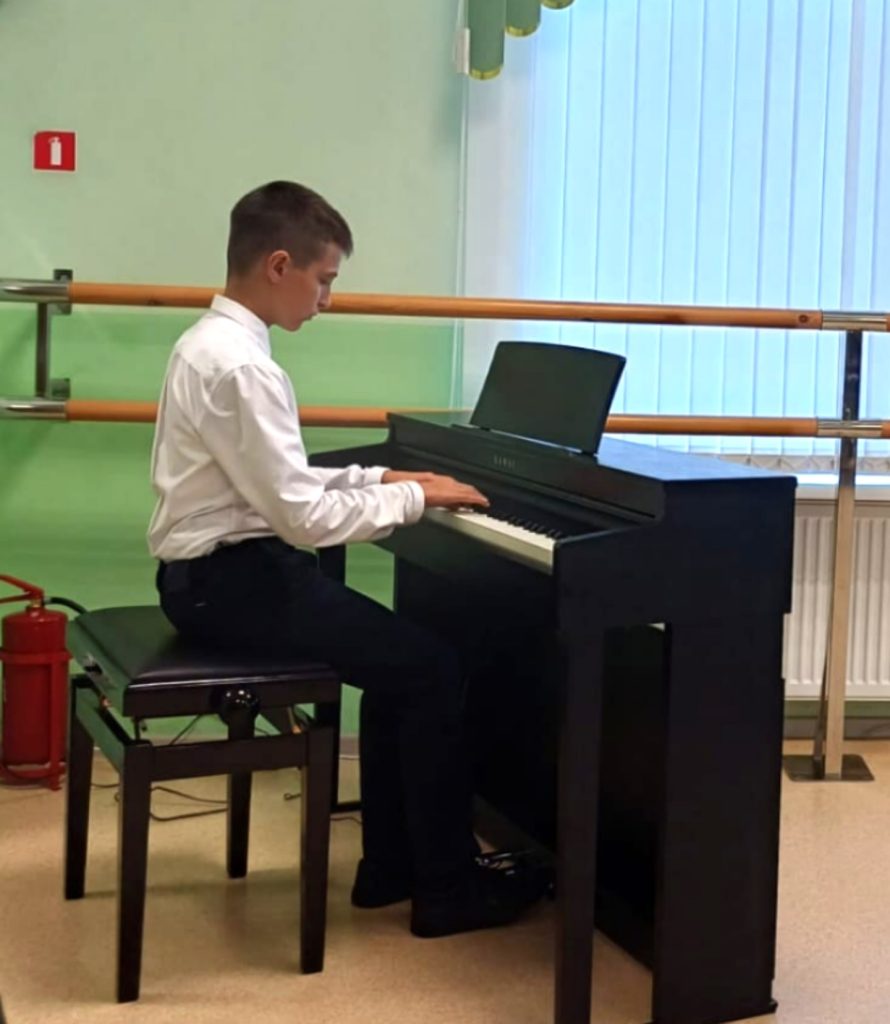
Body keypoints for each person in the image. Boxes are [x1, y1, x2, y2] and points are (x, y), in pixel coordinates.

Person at [148, 180, 543, 937]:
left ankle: (391, 868)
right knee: (430, 667)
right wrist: (414, 499)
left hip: (210, 580)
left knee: (401, 662)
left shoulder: (209, 343)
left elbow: (280, 481)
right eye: (323, 279)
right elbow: (300, 518)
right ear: (279, 264)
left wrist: (383, 477)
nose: (326, 299)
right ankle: (446, 888)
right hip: (231, 584)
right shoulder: (244, 368)